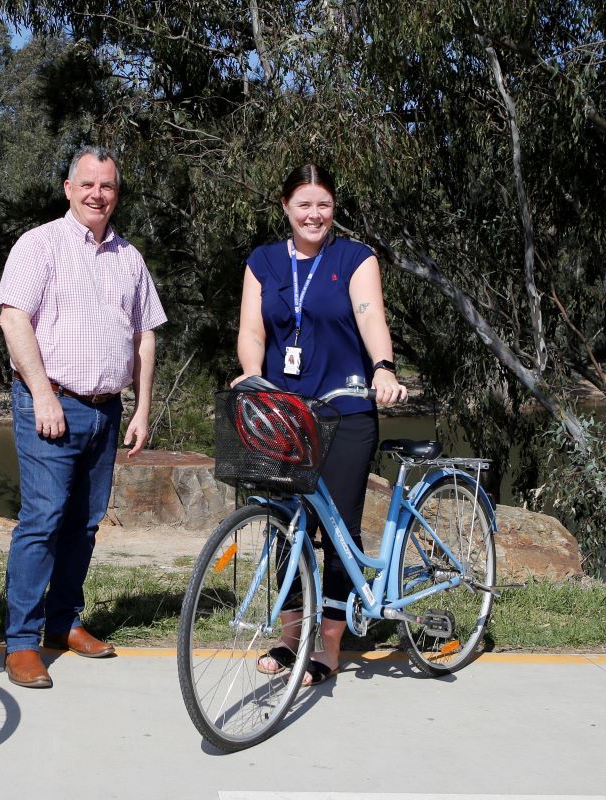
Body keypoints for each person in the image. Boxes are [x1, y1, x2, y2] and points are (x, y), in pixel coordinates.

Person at [0, 146, 167, 689]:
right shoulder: (38, 244)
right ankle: (21, 641)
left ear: (116, 193)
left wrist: (141, 407)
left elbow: (145, 334)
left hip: (106, 411)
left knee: (83, 525)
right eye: (87, 184)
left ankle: (64, 621)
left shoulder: (129, 257)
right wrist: (42, 394)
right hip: (51, 403)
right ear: (68, 188)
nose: (97, 194)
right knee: (43, 520)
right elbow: (13, 319)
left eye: (108, 186)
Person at [232, 164, 407, 686]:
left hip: (346, 408)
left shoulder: (354, 258)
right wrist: (251, 375)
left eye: (323, 205)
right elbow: (251, 329)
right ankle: (290, 639)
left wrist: (382, 368)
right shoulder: (263, 262)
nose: (314, 214)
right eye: (304, 204)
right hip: (285, 412)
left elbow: (371, 314)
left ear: (334, 210)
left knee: (336, 528)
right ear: (285, 206)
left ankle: (329, 644)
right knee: (285, 525)